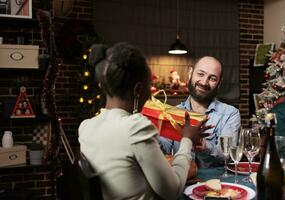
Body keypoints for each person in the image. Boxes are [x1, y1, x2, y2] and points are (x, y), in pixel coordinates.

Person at [78, 42, 211, 200]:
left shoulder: (86, 127)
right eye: (150, 88)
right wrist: (187, 140)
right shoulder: (135, 127)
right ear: (137, 90)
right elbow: (172, 191)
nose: (150, 96)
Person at [159, 56, 241, 168]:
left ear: (219, 83)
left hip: (215, 183)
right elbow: (165, 150)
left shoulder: (230, 113)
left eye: (212, 78)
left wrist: (204, 145)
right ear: (190, 74)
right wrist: (151, 135)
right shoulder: (173, 113)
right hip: (182, 180)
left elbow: (227, 155)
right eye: (200, 74)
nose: (204, 82)